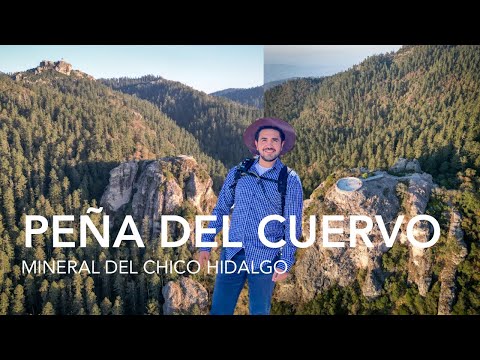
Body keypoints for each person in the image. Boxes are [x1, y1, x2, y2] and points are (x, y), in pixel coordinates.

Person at [197, 117, 303, 315]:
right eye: (264, 140)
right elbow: (220, 210)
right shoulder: (238, 173)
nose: (269, 145)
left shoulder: (290, 179)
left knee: (259, 311)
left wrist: (286, 260)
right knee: (219, 310)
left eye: (274, 140)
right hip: (232, 253)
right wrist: (206, 243)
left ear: (282, 145)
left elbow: (293, 224)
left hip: (266, 256)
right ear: (256, 144)